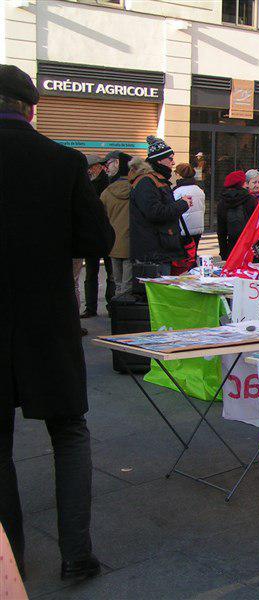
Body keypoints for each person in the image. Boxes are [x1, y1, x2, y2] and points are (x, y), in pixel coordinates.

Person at [0, 64, 115, 580]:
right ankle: (77, 555)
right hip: (46, 318)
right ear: (31, 108)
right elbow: (97, 241)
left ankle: (10, 564)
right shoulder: (63, 162)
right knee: (68, 430)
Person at [129, 136, 192, 272]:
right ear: (159, 160)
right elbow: (155, 212)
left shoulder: (157, 179)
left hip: (161, 249)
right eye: (170, 158)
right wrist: (182, 204)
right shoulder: (147, 181)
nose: (173, 162)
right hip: (154, 252)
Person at [81, 154, 114, 317]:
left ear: (98, 167)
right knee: (91, 272)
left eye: (91, 167)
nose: (89, 171)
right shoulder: (86, 183)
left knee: (108, 272)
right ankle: (91, 307)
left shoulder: (107, 184)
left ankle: (109, 305)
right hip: (93, 233)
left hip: (105, 232)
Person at [100, 152, 134, 296]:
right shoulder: (136, 189)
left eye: (107, 164)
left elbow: (101, 217)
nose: (106, 168)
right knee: (128, 285)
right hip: (131, 242)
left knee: (117, 283)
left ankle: (117, 305)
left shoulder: (107, 192)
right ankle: (124, 305)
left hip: (113, 243)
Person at [216, 170, 259, 260]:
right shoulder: (250, 200)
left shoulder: (222, 202)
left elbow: (221, 231)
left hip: (232, 246)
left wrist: (223, 252)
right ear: (242, 184)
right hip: (250, 246)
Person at [172, 162, 206, 249]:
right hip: (197, 228)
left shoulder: (177, 191)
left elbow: (173, 210)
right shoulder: (199, 190)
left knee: (182, 254)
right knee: (192, 252)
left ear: (178, 174)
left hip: (183, 229)